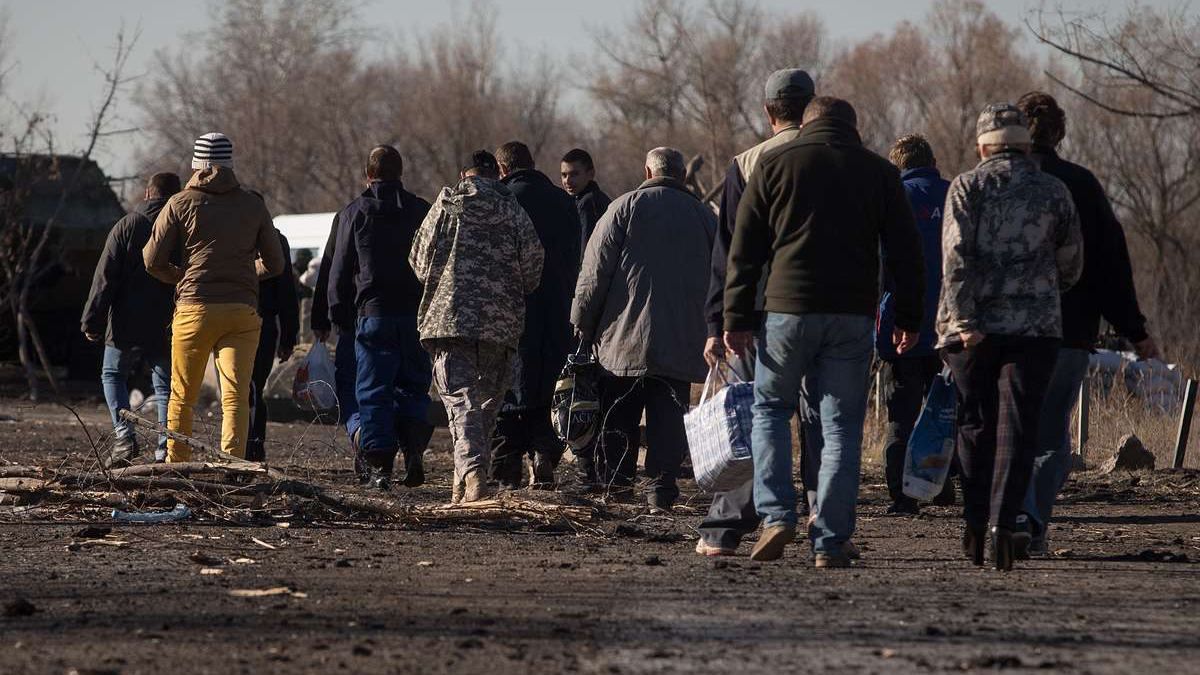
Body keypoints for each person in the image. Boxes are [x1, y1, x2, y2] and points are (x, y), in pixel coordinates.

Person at [724, 97, 925, 567]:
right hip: (852, 315)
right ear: (852, 127)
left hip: (785, 313)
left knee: (771, 410)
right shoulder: (879, 173)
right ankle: (831, 538)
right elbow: (906, 253)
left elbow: (744, 249)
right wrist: (909, 319)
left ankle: (776, 517)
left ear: (807, 123)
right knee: (839, 425)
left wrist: (735, 317)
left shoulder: (774, 164)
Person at [937, 103, 1083, 570]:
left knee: (975, 424)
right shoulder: (1055, 190)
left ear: (982, 146)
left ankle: (975, 524)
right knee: (1020, 428)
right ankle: (1006, 524)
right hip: (1035, 327)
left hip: (973, 329)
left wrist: (962, 321)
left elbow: (955, 256)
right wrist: (1039, 290)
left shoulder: (967, 186)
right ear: (1026, 144)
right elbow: (1071, 262)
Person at [1016, 91, 1158, 554]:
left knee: (1009, 426)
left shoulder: (995, 182)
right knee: (1052, 433)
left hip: (1004, 329)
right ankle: (1033, 520)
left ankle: (1011, 515)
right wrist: (1134, 329)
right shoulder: (1081, 184)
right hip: (1069, 331)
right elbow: (1111, 265)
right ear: (1059, 132)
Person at [697, 68, 816, 556]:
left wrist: (719, 321)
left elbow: (728, 252)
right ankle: (821, 516)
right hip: (829, 309)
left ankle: (728, 528)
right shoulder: (842, 159)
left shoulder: (746, 163)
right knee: (822, 417)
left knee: (751, 416)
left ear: (768, 112)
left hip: (759, 313)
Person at [572, 147, 716, 510]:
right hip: (682, 339)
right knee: (668, 416)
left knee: (619, 411)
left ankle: (618, 486)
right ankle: (661, 490)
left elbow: (594, 273)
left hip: (623, 338)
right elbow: (724, 277)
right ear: (682, 176)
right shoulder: (703, 217)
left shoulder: (623, 208)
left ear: (647, 172)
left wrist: (582, 322)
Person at [409, 150, 544, 503]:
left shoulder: (448, 204)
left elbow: (419, 261)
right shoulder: (513, 209)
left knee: (461, 404)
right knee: (484, 409)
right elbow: (533, 269)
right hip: (501, 326)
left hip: (451, 320)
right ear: (495, 174)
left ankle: (471, 477)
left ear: (463, 174)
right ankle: (466, 482)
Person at [143, 132, 285, 461]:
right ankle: (233, 466)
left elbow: (151, 260)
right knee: (236, 395)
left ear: (197, 165)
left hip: (194, 308)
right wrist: (247, 274)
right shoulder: (253, 204)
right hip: (241, 311)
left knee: (182, 395)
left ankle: (177, 465)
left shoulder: (179, 203)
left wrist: (180, 276)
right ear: (230, 163)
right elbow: (276, 263)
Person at [328, 146, 434, 490]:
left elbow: (340, 269)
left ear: (367, 174)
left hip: (372, 314)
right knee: (414, 385)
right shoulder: (422, 210)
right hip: (416, 314)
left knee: (373, 390)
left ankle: (379, 466)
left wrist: (338, 313)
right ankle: (414, 449)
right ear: (400, 173)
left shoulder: (355, 213)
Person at [492, 141, 580, 490]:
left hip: (513, 309)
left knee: (511, 387)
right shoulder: (564, 201)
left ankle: (508, 464)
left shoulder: (502, 200)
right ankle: (545, 453)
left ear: (503, 169)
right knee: (550, 386)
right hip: (557, 308)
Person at [81, 172, 181, 466]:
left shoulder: (128, 225)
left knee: (113, 375)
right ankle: (165, 449)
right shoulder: (184, 227)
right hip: (168, 321)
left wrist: (92, 321)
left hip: (126, 320)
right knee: (164, 385)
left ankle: (124, 439)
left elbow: (105, 277)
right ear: (177, 197)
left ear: (148, 194)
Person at [878, 134, 952, 515]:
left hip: (900, 326)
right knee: (947, 409)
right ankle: (944, 486)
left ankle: (903, 496)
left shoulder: (893, 198)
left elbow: (881, 264)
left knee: (901, 414)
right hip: (952, 327)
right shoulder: (955, 194)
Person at [246, 225, 299, 462]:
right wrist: (289, 335)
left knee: (239, 389)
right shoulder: (277, 240)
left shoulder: (231, 232)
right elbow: (287, 290)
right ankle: (255, 446)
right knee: (256, 387)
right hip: (264, 322)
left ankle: (242, 446)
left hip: (235, 319)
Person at [560, 148, 612, 254]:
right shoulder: (584, 200)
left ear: (591, 174)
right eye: (564, 175)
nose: (568, 181)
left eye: (574, 174)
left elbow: (586, 250)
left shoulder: (589, 203)